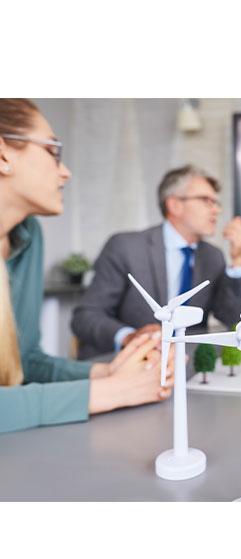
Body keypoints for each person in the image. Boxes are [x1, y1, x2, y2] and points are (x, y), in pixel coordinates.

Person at [0, 98, 174, 434]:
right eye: (54, 151)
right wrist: (109, 392)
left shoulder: (28, 236)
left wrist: (108, 373)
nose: (65, 171)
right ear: (4, 155)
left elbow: (27, 362)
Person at [71, 164, 241, 359]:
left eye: (216, 203)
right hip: (128, 363)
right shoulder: (126, 247)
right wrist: (130, 337)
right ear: (174, 205)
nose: (216, 209)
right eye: (206, 200)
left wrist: (238, 259)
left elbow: (235, 320)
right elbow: (86, 317)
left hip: (184, 368)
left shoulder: (212, 256)